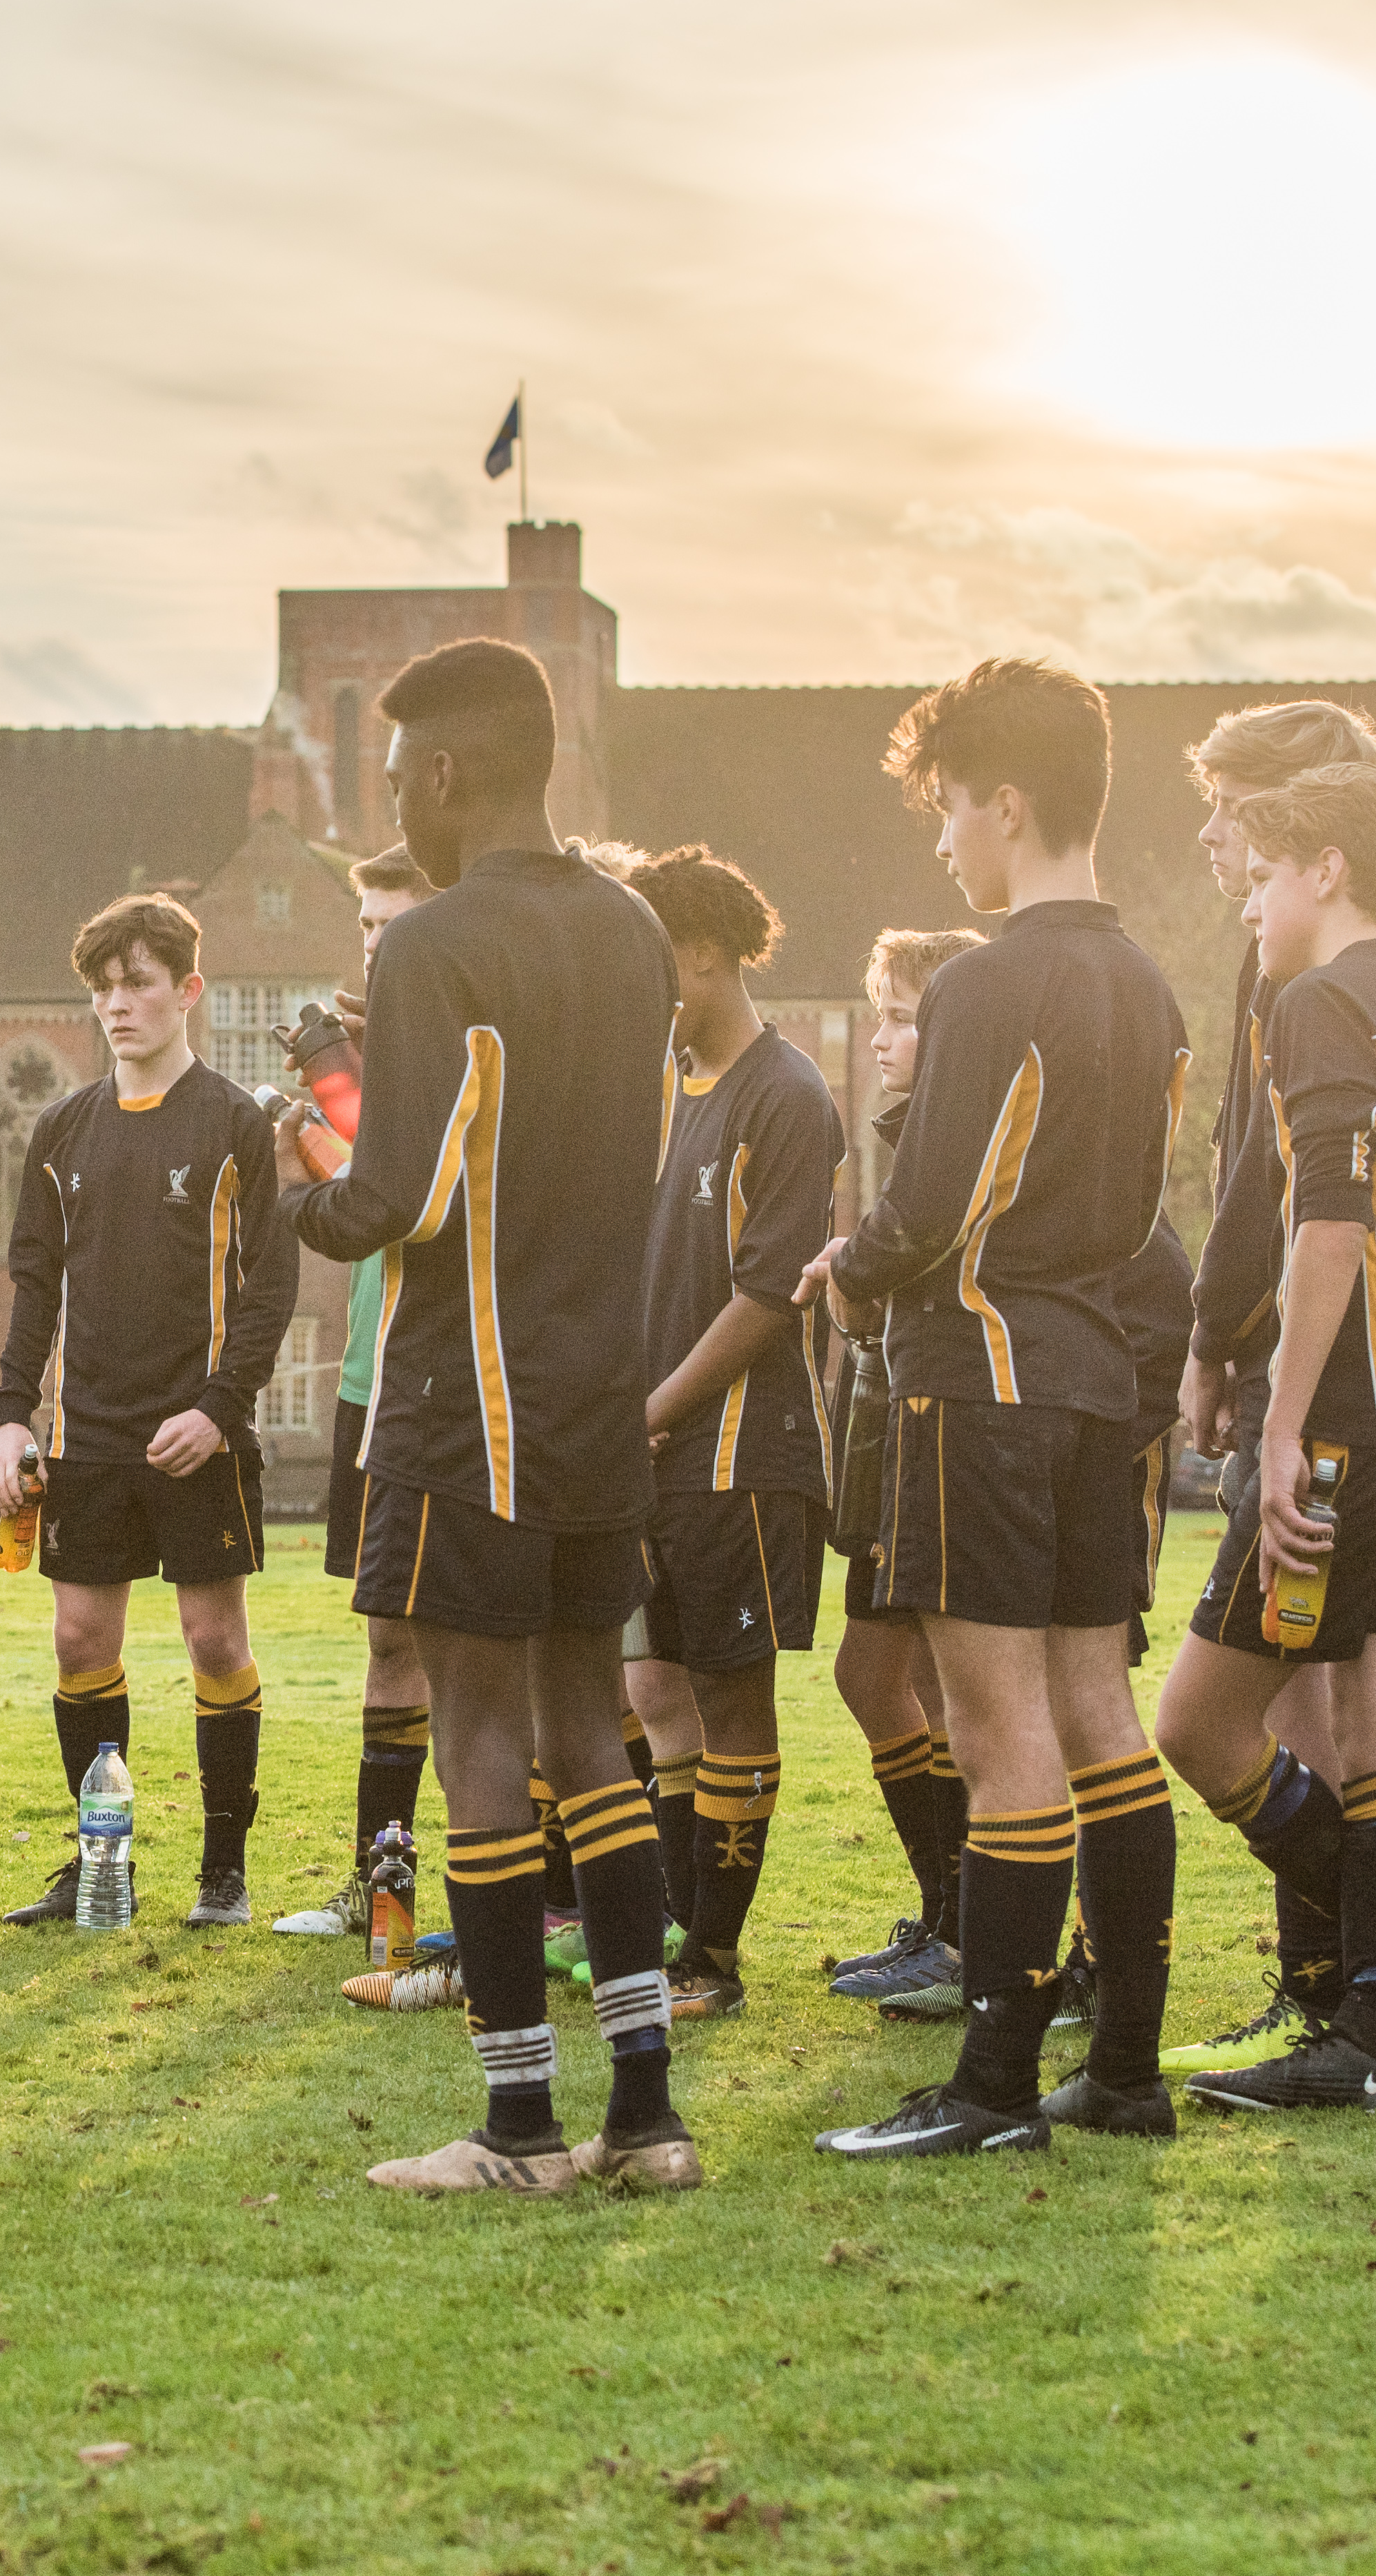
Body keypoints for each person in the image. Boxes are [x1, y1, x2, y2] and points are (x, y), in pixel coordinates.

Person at [278, 638, 697, 2197]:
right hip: (599, 1403)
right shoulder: (637, 931)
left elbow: (402, 1193)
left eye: (394, 776)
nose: (391, 798)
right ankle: (644, 2118)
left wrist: (302, 1184)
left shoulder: (432, 946)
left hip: (467, 1404)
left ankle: (517, 2125)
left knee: (476, 1743)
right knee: (594, 1736)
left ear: (443, 774)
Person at [798, 657, 1189, 2160]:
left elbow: (921, 1206)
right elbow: (1141, 1209)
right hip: (1099, 1393)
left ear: (1006, 803)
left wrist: (850, 1266)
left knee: (997, 1721)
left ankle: (993, 2087)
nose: (946, 843)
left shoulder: (981, 979)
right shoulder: (1148, 981)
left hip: (980, 1382)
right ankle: (1128, 2070)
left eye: (952, 810)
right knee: (1100, 1714)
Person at [1154, 764, 1376, 2115]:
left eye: (1257, 874)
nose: (1242, 901)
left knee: (1195, 1720)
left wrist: (1285, 1418)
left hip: (1350, 1428)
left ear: (1325, 871)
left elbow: (1329, 1220)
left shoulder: (1315, 1005)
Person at [0, 891, 297, 1928]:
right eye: (104, 989)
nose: (118, 1005)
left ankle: (224, 1872)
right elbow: (33, 1283)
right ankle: (93, 1865)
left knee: (213, 1645)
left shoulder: (233, 1124)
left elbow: (270, 1287)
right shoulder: (62, 1130)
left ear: (186, 992)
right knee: (80, 1642)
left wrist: (220, 1406)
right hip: (88, 1440)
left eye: (140, 985)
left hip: (197, 1437)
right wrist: (11, 1415)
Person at [618, 846, 844, 2021]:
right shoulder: (658, 1085)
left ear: (701, 952)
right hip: (647, 1455)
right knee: (655, 1691)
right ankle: (670, 1938)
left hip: (742, 1456)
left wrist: (651, 1414)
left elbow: (771, 1293)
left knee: (731, 1702)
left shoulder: (787, 1096)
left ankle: (714, 1958)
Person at [277, 841, 440, 1939]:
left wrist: (324, 1128)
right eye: (367, 927)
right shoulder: (382, 1056)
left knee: (485, 1650)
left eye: (397, 923)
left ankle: (537, 1901)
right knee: (387, 1637)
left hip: (449, 1386)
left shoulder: (463, 1048)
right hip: (365, 1382)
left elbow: (395, 1188)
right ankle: (378, 1889)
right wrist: (325, 1115)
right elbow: (368, 1184)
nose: (375, 945)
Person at [825, 928, 982, 2016]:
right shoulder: (911, 1128)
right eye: (875, 1015)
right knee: (878, 1677)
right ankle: (947, 1912)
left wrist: (855, 1269)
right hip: (893, 1436)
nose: (881, 1040)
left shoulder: (964, 1135)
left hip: (950, 1432)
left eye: (899, 1016)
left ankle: (974, 1931)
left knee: (938, 1688)